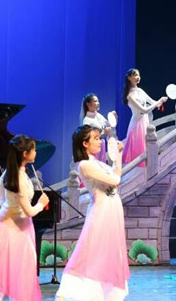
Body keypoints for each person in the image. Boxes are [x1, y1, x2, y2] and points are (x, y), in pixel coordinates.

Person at [55, 125, 129, 301]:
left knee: (109, 251)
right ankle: (69, 290)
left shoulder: (96, 162)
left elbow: (113, 176)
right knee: (91, 250)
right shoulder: (85, 165)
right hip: (101, 211)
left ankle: (107, 292)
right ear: (85, 143)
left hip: (112, 209)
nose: (99, 142)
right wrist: (118, 158)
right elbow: (115, 180)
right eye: (95, 139)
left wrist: (116, 154)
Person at [0, 134, 49, 301]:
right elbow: (29, 211)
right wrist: (41, 203)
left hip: (15, 225)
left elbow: (1, 198)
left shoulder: (9, 174)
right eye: (34, 149)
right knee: (1, 267)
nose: (36, 152)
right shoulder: (19, 178)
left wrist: (0, 207)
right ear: (25, 154)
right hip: (12, 226)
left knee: (12, 266)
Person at [121, 69, 167, 165]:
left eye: (139, 75)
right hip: (137, 124)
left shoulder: (140, 90)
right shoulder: (130, 96)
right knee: (139, 149)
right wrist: (158, 102)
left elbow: (153, 102)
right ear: (129, 78)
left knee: (147, 145)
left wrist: (160, 101)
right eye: (135, 75)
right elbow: (144, 110)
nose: (138, 77)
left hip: (145, 121)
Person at [81, 93, 118, 163]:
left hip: (101, 145)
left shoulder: (98, 116)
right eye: (95, 101)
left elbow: (109, 126)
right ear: (88, 104)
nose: (98, 103)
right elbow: (87, 138)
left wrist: (113, 119)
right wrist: (102, 133)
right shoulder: (87, 120)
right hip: (93, 148)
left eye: (98, 101)